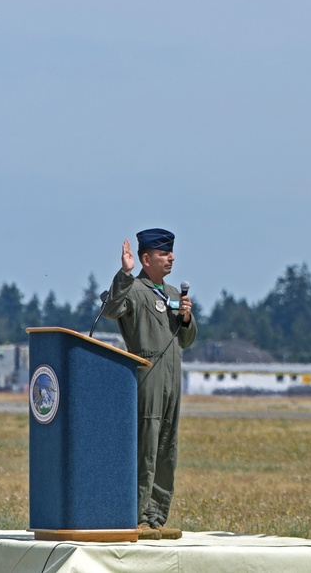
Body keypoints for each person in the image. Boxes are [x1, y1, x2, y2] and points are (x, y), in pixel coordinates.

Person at [103, 228, 197, 540]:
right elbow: (111, 310)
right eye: (163, 254)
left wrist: (186, 318)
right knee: (146, 444)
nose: (171, 258)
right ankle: (137, 515)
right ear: (146, 258)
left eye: (171, 253)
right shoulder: (134, 289)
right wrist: (124, 274)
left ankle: (156, 517)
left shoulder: (172, 293)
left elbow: (187, 339)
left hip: (173, 377)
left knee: (167, 446)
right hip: (148, 374)